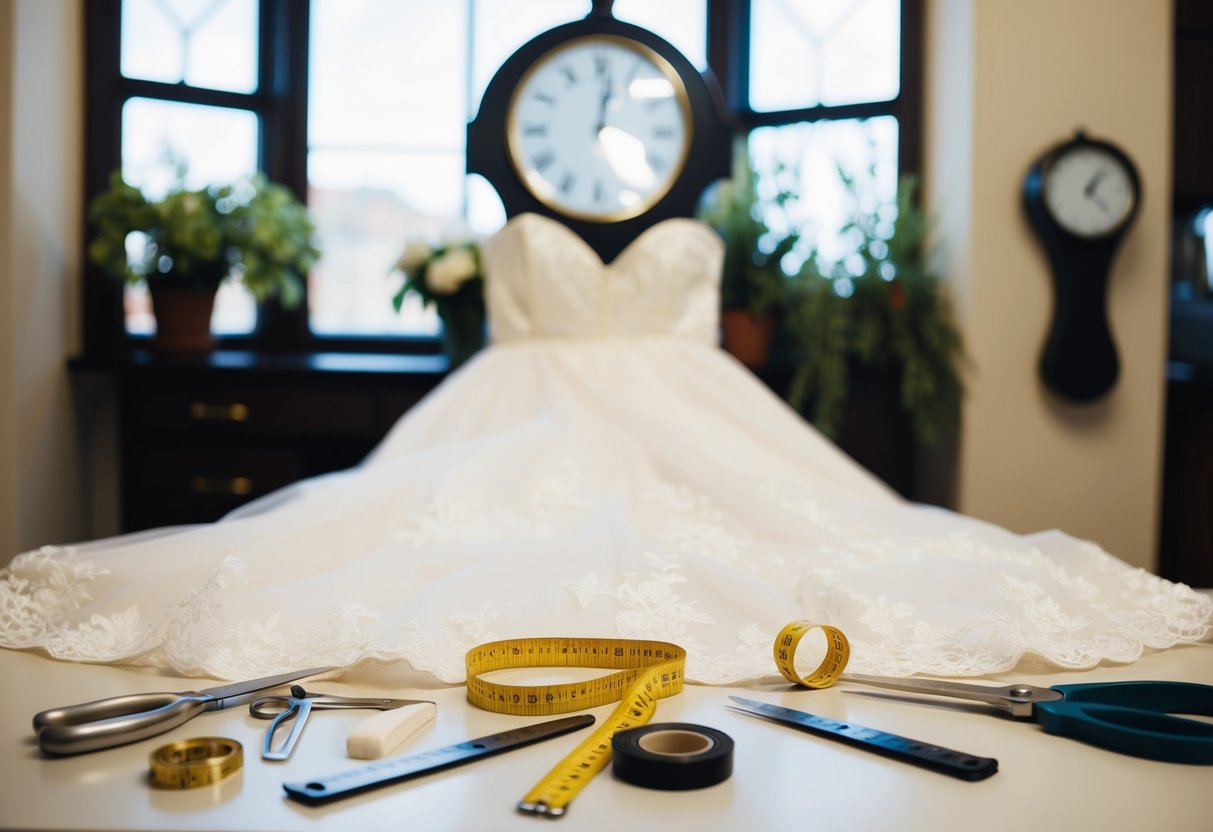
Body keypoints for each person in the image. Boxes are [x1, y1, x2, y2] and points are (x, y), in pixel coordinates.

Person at [1, 212, 1208, 684]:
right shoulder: (514, 242)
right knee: (428, 538)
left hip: (699, 407)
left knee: (803, 534)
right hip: (514, 403)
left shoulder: (692, 232)